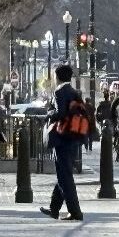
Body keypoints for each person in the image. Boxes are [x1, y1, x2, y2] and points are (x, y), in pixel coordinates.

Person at [40, 64, 84, 221]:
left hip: (62, 138)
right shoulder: (74, 92)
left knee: (65, 177)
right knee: (64, 174)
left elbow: (60, 113)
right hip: (73, 137)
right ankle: (54, 209)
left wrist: (49, 113)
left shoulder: (59, 91)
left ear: (57, 76)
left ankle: (75, 211)